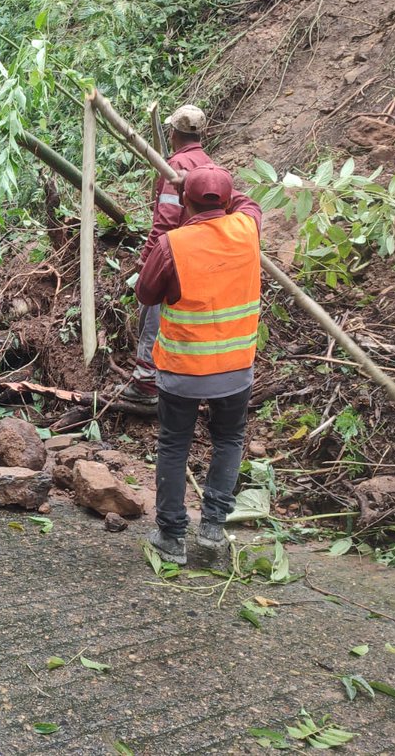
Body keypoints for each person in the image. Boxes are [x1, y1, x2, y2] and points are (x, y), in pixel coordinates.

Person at [137, 164, 263, 565]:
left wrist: (187, 187)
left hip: (183, 372)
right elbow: (249, 203)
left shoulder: (174, 243)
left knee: (175, 445)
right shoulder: (247, 228)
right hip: (234, 371)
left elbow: (146, 292)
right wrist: (217, 191)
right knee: (228, 441)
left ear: (185, 203)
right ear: (227, 202)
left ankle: (171, 537)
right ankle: (212, 530)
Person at [124, 104, 215, 406]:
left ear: (173, 133)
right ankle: (180, 380)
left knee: (151, 312)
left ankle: (146, 383)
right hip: (200, 255)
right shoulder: (207, 164)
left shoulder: (173, 168)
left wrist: (148, 255)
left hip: (173, 252)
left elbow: (165, 218)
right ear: (202, 133)